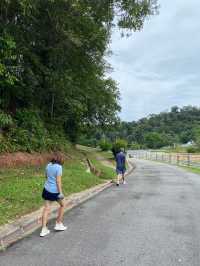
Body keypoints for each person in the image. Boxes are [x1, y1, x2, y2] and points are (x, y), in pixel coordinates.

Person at [40, 153, 67, 237]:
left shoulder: (48, 165)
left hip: (46, 190)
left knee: (46, 209)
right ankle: (58, 224)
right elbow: (58, 181)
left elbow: (46, 177)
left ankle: (43, 229)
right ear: (60, 159)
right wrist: (60, 193)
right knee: (63, 205)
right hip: (54, 191)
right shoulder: (59, 167)